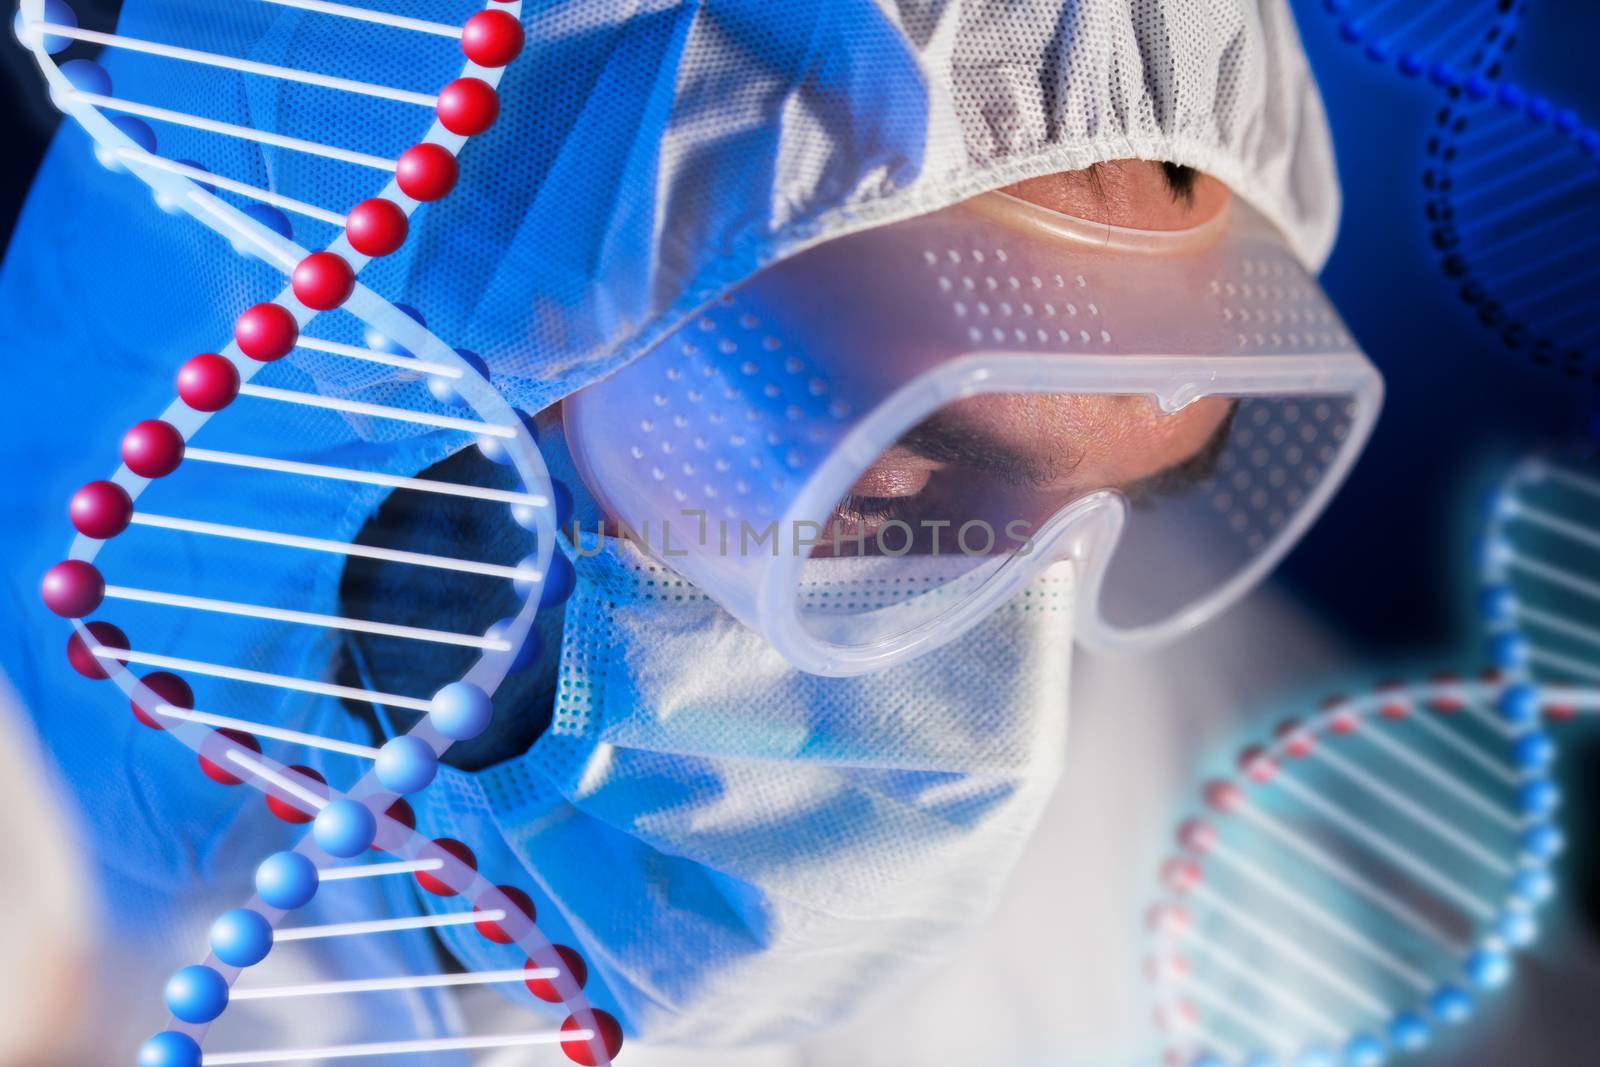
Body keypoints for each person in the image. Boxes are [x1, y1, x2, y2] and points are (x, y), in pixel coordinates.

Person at [0, 1, 1367, 1063]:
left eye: (1108, 509)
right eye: (886, 486)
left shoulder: (1194, 831)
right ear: (394, 370)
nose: (1004, 717)